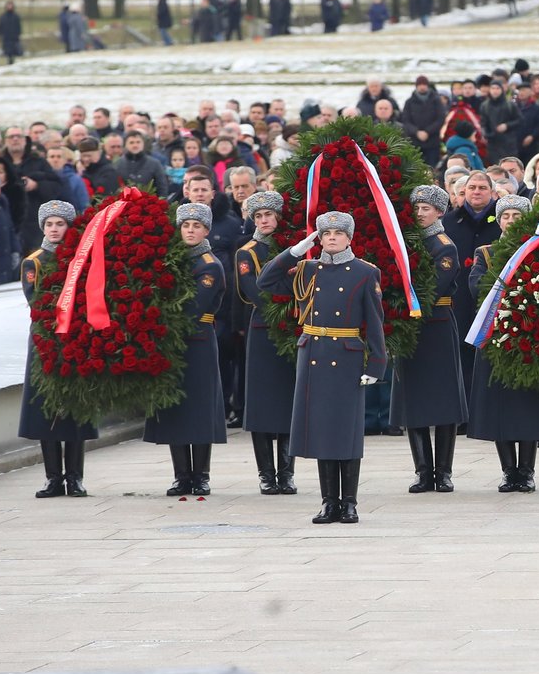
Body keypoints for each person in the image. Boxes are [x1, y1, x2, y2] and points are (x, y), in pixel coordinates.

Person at [262, 210, 387, 523]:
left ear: (349, 237)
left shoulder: (364, 272)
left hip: (346, 356)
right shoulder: (307, 269)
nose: (331, 238)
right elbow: (266, 281)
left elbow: (375, 322)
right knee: (322, 431)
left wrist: (376, 364)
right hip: (314, 353)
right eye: (326, 234)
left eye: (338, 233)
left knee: (346, 431)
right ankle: (329, 502)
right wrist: (294, 252)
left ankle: (350, 503)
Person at [465, 195, 539, 491]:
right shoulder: (486, 252)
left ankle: (526, 471)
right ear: (499, 220)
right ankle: (508, 470)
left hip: (528, 335)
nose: (511, 221)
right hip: (494, 336)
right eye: (506, 216)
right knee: (499, 405)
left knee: (527, 405)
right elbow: (476, 286)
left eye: (517, 215)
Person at [144, 203, 227, 496]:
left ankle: (200, 475)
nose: (190, 231)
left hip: (198, 340)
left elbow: (193, 307)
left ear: (206, 230)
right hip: (171, 342)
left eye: (197, 226)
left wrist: (161, 319)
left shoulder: (209, 265)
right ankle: (181, 475)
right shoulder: (171, 260)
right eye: (185, 226)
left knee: (200, 408)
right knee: (176, 409)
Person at [19, 201, 95, 497]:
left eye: (60, 224)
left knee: (76, 408)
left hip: (76, 338)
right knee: (46, 407)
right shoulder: (34, 262)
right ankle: (53, 477)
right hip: (46, 340)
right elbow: (36, 301)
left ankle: (75, 477)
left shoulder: (81, 258)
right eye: (49, 224)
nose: (54, 229)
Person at [391, 186, 464, 494]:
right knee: (413, 398)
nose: (420, 213)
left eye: (426, 208)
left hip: (435, 325)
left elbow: (434, 287)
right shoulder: (405, 243)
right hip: (409, 326)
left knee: (443, 400)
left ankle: (443, 471)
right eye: (417, 208)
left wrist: (404, 306)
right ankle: (423, 471)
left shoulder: (443, 246)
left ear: (439, 212)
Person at [235, 191, 297, 495]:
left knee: (288, 400)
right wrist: (282, 304)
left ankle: (286, 472)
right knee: (260, 403)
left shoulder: (292, 248)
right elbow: (253, 290)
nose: (263, 220)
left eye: (268, 215)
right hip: (264, 327)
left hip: (292, 326)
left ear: (278, 216)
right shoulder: (247, 252)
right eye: (258, 216)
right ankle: (266, 473)